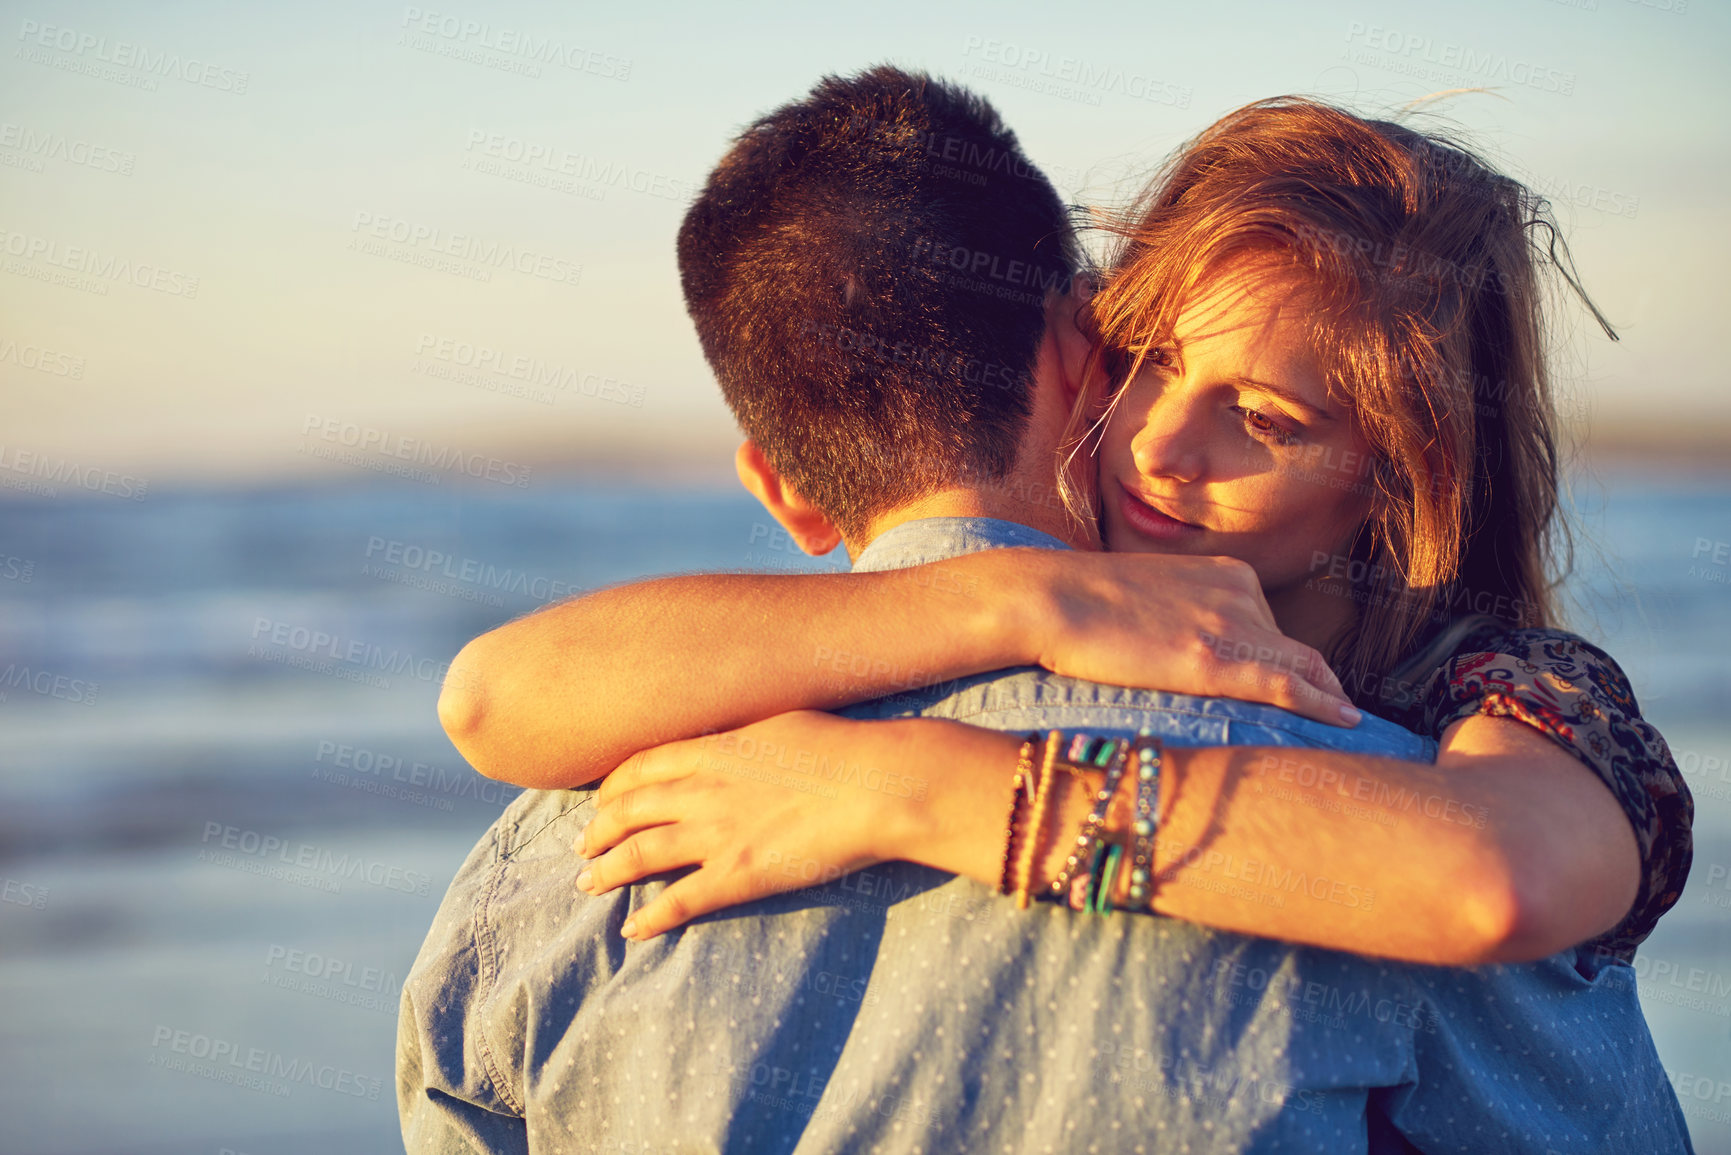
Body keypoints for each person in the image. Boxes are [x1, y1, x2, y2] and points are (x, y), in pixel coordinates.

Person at [405, 71, 1694, 1151]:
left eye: (1266, 420)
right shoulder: (1039, 619)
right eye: (1144, 364)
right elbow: (491, 695)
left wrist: (912, 785)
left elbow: (1486, 880)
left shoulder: (1497, 704)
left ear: (1406, 473)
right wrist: (1011, 595)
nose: (1160, 446)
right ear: (1082, 356)